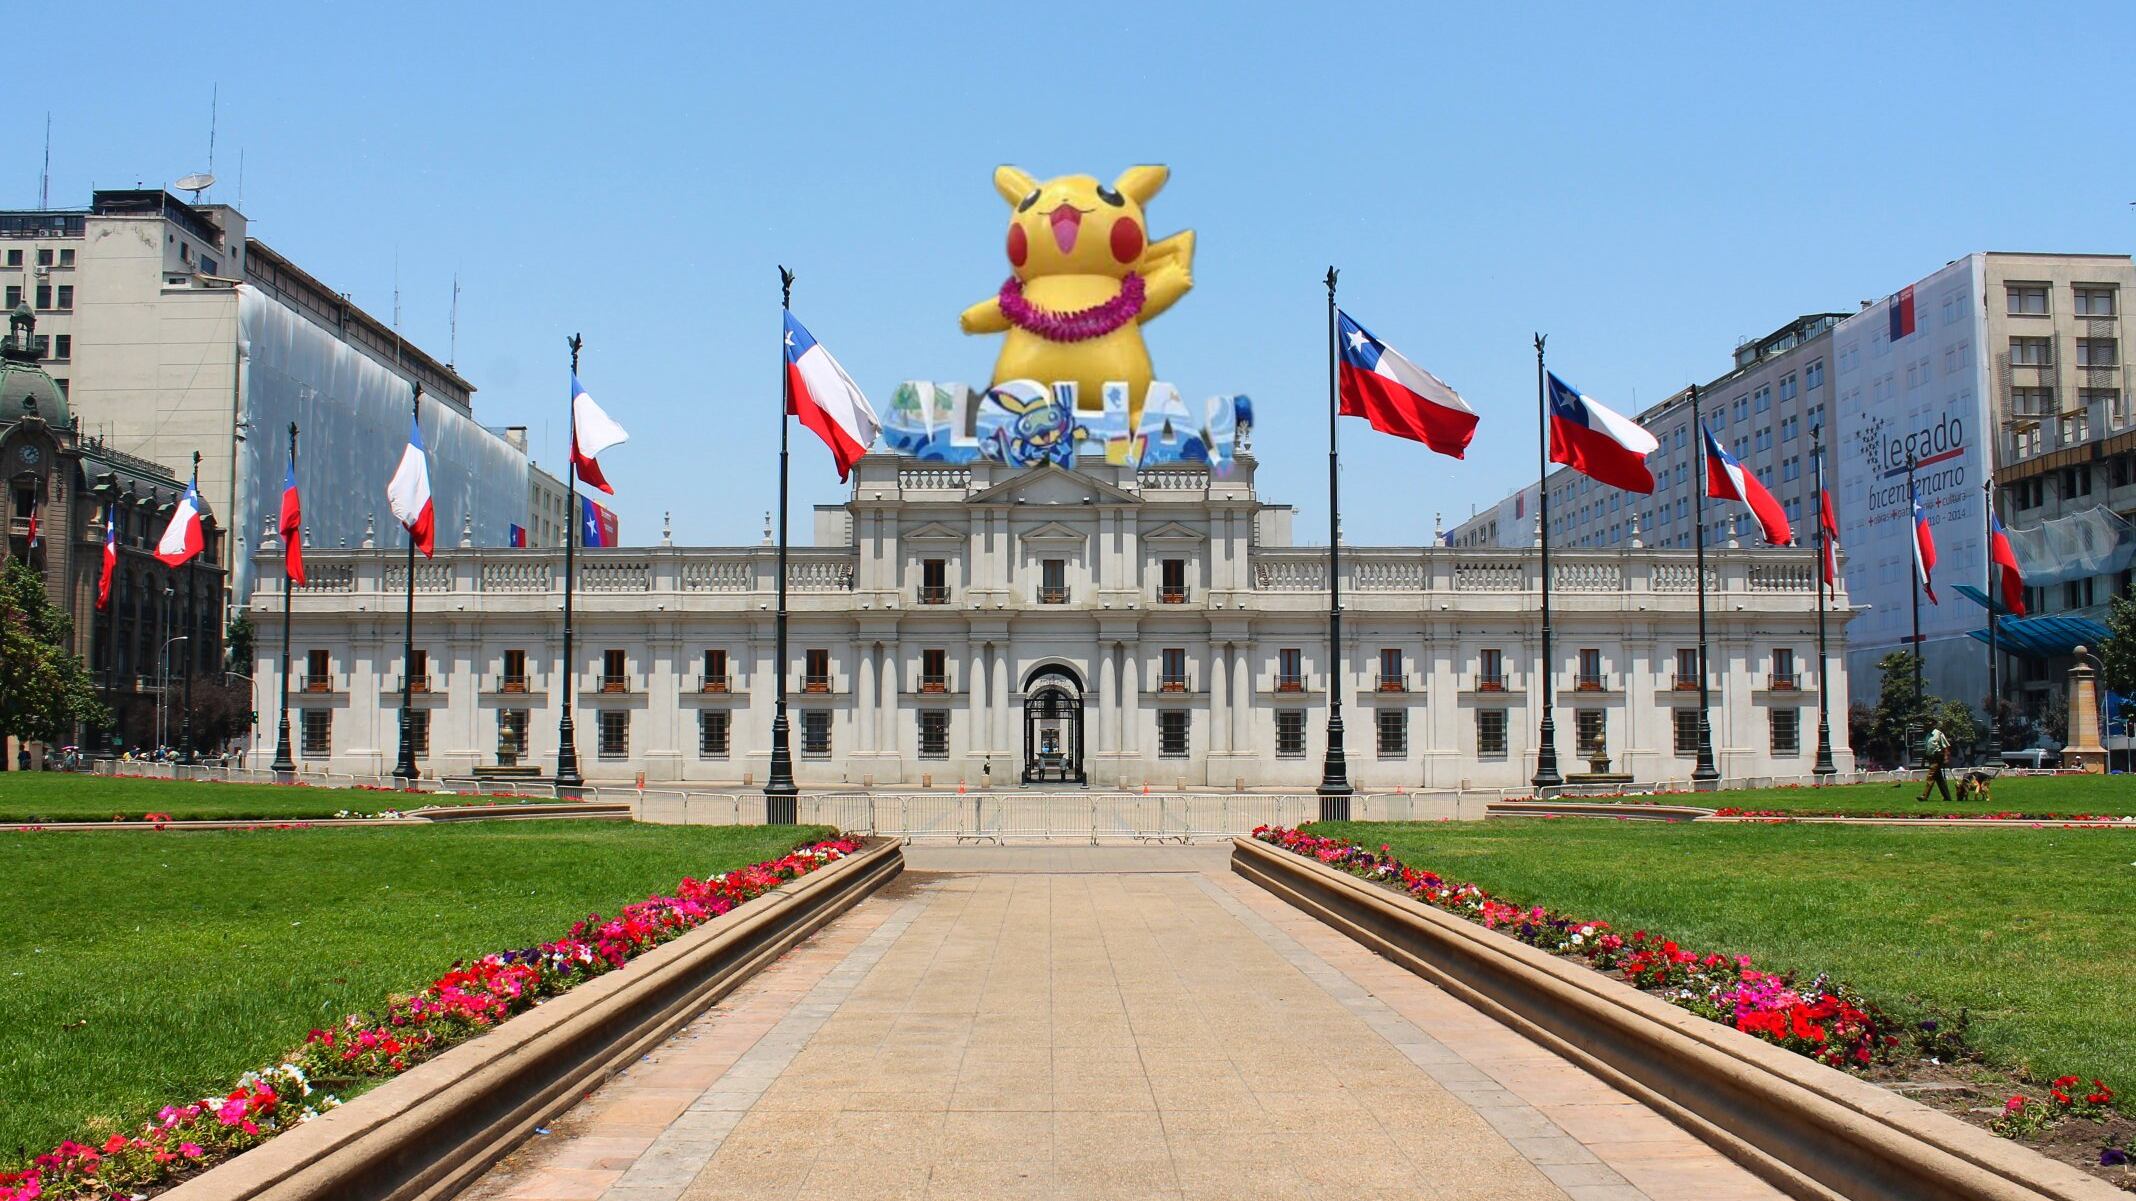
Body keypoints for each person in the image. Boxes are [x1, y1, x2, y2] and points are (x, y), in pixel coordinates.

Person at [1917, 723, 1952, 804]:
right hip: (1930, 759)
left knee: (1931, 776)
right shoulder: (1928, 735)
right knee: (1939, 779)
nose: (1926, 726)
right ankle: (1947, 797)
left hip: (1937, 759)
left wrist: (1946, 758)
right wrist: (1923, 761)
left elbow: (1946, 747)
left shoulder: (1939, 734)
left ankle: (1924, 796)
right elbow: (1927, 749)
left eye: (1928, 725)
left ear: (1933, 725)